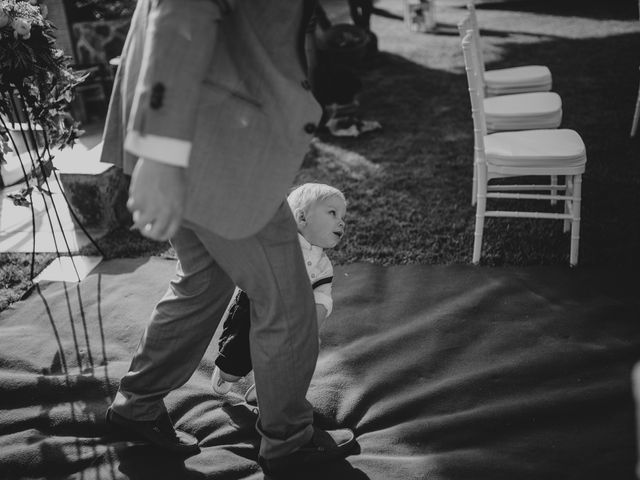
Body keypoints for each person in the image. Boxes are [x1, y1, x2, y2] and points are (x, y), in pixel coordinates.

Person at [99, 0, 356, 475]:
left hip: (194, 130)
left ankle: (135, 406)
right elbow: (181, 13)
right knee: (288, 301)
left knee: (203, 280)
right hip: (206, 141)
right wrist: (159, 151)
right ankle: (289, 443)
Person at [212, 183, 347, 403]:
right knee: (233, 366)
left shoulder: (323, 267)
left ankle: (267, 390)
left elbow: (322, 295)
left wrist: (314, 320)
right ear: (302, 218)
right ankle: (228, 371)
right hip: (252, 310)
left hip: (289, 323)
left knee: (286, 362)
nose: (341, 221)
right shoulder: (279, 241)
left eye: (343, 217)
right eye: (333, 213)